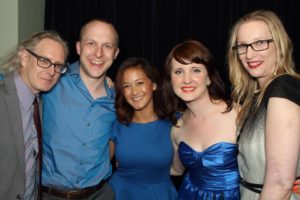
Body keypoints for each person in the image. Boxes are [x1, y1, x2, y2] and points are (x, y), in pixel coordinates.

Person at [41, 19, 119, 200]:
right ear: (78, 47)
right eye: (91, 43)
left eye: (107, 46)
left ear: (115, 53)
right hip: (50, 194)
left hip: (100, 194)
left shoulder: (118, 99)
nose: (98, 53)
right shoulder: (53, 80)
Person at [227, 10, 300, 199]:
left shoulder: (282, 87)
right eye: (242, 46)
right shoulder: (256, 97)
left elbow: (279, 184)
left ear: (280, 44)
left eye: (260, 43)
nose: (249, 54)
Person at [164, 40, 240, 199]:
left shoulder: (237, 114)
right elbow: (175, 170)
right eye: (178, 72)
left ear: (208, 78)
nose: (186, 79)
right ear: (171, 81)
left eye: (195, 70)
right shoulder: (177, 128)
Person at [0, 31, 68, 200]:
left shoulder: (42, 104)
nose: (51, 71)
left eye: (58, 65)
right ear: (24, 57)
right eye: (44, 60)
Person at [108, 57, 178, 200]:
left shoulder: (175, 122)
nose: (134, 92)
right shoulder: (116, 124)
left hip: (160, 194)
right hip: (120, 193)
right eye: (126, 86)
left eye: (139, 83)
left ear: (153, 84)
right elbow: (98, 164)